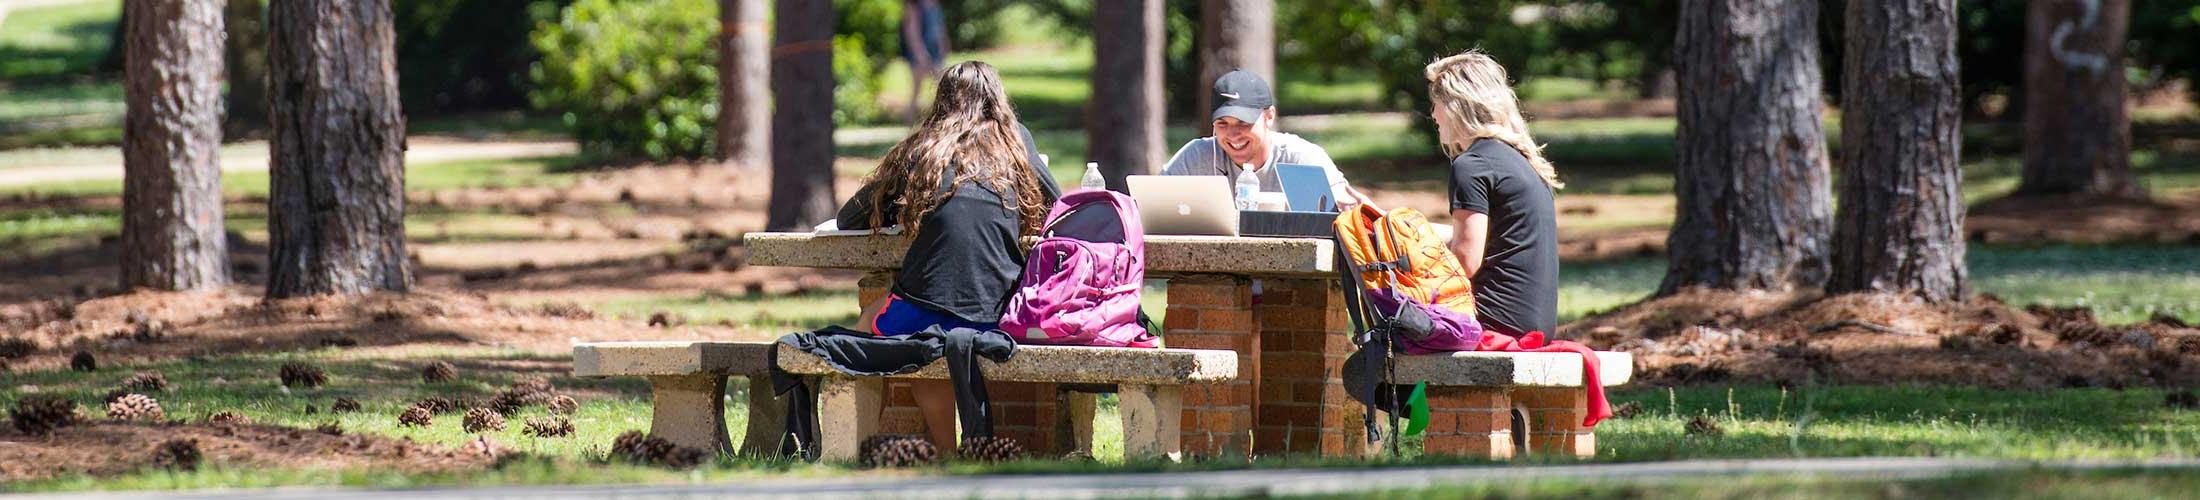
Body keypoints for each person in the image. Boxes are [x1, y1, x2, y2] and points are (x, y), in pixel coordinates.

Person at [835, 61, 1057, 451]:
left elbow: (848, 217)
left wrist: (898, 207)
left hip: (922, 307)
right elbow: (1058, 205)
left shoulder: (924, 147)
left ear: (941, 100)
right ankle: (967, 451)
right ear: (997, 100)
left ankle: (920, 447)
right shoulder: (1016, 142)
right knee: (939, 335)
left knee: (886, 324)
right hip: (997, 311)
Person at [1427, 50, 1562, 337]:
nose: (1433, 114)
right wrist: (1404, 227)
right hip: (1536, 324)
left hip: (1494, 323)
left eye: (1435, 103)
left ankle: (1409, 387)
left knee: (1389, 332)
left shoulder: (1472, 165)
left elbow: (1465, 261)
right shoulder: (1522, 162)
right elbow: (1495, 238)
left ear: (1455, 105)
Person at [1162, 69, 1367, 208]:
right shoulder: (1198, 156)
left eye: (1243, 122)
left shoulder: (1300, 158)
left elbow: (1348, 210)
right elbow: (1149, 205)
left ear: (1269, 116)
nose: (1233, 135)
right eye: (1222, 124)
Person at [900, 0, 949, 123]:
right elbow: (912, 33)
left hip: (935, 53)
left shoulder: (935, 6)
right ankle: (910, 122)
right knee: (917, 90)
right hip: (920, 55)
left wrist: (944, 45)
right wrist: (921, 55)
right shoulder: (914, 7)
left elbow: (940, 29)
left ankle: (942, 119)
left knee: (942, 86)